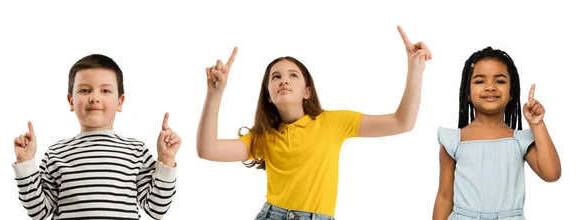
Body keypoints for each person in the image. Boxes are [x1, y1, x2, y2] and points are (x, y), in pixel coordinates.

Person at [196, 26, 432, 219]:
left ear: (307, 91)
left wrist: (415, 70)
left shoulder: (334, 122)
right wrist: (215, 93)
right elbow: (207, 149)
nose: (283, 81)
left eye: (293, 75)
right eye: (275, 77)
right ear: (269, 94)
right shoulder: (264, 137)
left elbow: (402, 122)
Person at [12, 54, 181, 220]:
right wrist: (25, 164)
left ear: (120, 102)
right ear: (71, 101)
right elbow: (38, 211)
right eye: (85, 90)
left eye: (105, 90)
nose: (94, 98)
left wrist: (166, 159)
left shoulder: (136, 151)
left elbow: (157, 208)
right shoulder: (56, 152)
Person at [432, 47, 562, 220]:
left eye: (500, 81)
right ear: (467, 93)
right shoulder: (454, 141)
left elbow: (551, 174)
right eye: (480, 81)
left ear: (512, 93)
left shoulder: (519, 141)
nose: (490, 87)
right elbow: (445, 196)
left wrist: (537, 125)